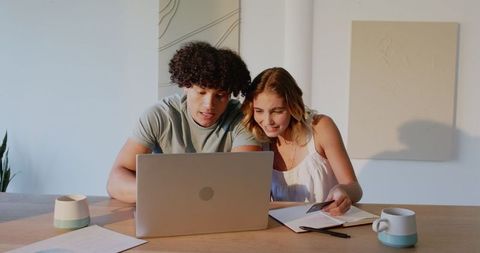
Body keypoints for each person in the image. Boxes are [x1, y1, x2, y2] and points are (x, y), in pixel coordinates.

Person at [107, 41, 261, 203]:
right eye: (201, 92)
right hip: (166, 207)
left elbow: (244, 182)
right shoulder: (160, 116)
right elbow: (115, 181)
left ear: (230, 94)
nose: (209, 105)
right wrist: (157, 192)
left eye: (220, 95)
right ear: (185, 86)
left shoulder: (242, 119)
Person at [241, 67, 362, 215]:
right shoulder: (257, 141)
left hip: (328, 226)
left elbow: (355, 188)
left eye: (277, 111)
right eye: (259, 111)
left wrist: (343, 190)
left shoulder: (321, 127)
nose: (267, 121)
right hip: (284, 231)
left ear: (292, 106)